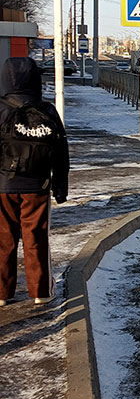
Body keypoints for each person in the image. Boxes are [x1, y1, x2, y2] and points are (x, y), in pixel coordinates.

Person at [0, 57, 69, 306]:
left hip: (3, 187)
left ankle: (2, 293)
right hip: (37, 186)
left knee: (3, 239)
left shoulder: (1, 108)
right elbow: (61, 151)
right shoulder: (47, 110)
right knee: (36, 239)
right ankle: (40, 292)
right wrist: (60, 187)